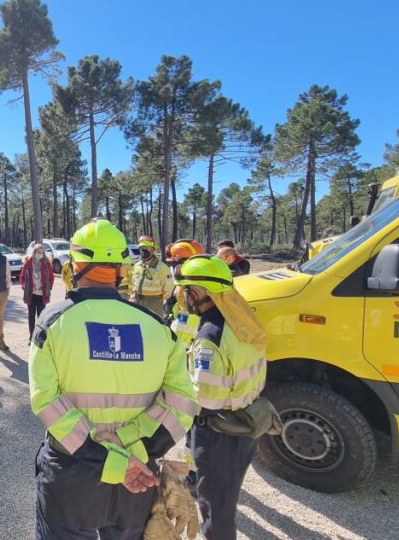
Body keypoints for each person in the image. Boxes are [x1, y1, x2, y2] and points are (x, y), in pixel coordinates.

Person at [29, 219, 199, 540]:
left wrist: (110, 459)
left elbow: (46, 401)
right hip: (137, 478)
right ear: (121, 266)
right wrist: (134, 454)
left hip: (72, 473)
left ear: (76, 264)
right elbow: (182, 401)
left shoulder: (53, 322)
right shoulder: (158, 327)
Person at [174, 254, 267, 540]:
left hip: (218, 434)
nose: (182, 296)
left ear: (199, 293)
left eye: (186, 290)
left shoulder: (209, 338)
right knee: (227, 495)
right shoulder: (243, 322)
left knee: (214, 505)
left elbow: (207, 400)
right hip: (246, 422)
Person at [128, 236, 173, 317]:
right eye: (141, 248)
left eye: (146, 247)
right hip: (137, 301)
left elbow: (168, 289)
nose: (143, 250)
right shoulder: (137, 266)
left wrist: (157, 300)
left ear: (153, 249)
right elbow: (134, 284)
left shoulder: (163, 268)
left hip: (154, 304)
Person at [19, 243, 54, 340]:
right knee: (31, 316)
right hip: (31, 294)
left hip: (42, 295)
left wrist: (48, 288)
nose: (41, 254)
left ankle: (39, 336)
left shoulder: (46, 263)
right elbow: (22, 277)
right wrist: (24, 287)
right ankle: (31, 336)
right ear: (34, 252)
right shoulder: (28, 263)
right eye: (39, 252)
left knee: (41, 316)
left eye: (42, 253)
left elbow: (51, 277)